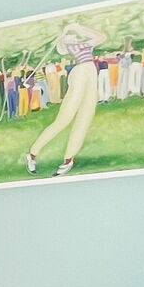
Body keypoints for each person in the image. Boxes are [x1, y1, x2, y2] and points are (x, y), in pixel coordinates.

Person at [27, 22, 106, 177]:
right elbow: (61, 49)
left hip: (91, 74)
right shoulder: (66, 43)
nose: (73, 37)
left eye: (73, 35)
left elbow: (101, 37)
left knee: (84, 118)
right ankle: (32, 153)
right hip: (80, 73)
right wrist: (64, 34)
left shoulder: (85, 44)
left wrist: (79, 28)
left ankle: (68, 159)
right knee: (64, 119)